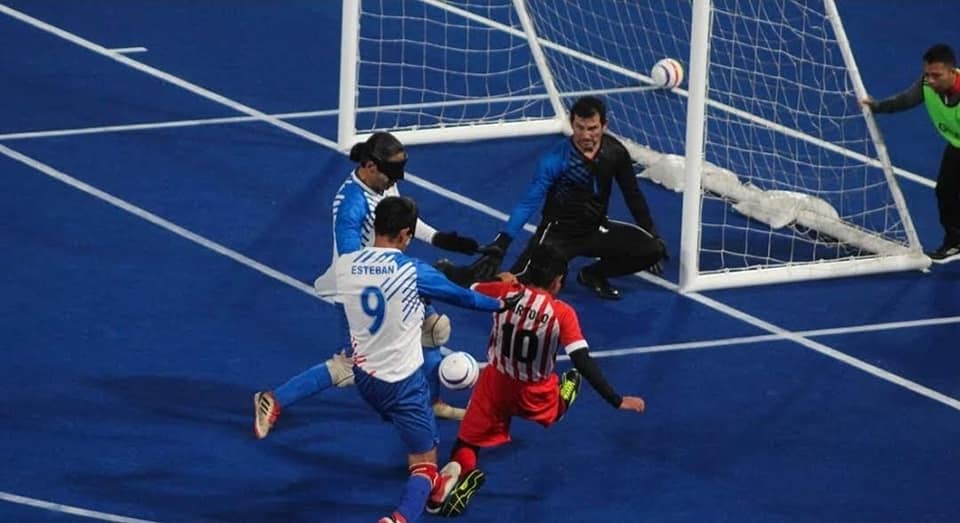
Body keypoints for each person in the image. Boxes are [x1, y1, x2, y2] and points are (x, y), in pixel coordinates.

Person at [254, 132, 484, 440]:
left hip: (391, 281)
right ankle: (273, 399)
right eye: (391, 174)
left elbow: (401, 219)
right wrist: (393, 276)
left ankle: (430, 402)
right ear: (370, 166)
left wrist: (441, 239)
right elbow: (350, 259)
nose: (395, 181)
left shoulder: (383, 182)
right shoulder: (350, 204)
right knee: (351, 366)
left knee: (433, 330)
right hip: (359, 291)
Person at [337, 196, 522, 523]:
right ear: (405, 234)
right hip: (401, 385)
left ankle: (435, 487)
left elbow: (346, 240)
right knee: (424, 462)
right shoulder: (412, 271)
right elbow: (464, 297)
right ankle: (400, 517)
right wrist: (502, 304)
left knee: (410, 429)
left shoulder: (348, 263)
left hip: (364, 377)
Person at [427, 244, 646, 517]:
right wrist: (616, 399)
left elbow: (465, 285)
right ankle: (563, 395)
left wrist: (452, 270)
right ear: (557, 281)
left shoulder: (505, 291)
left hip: (495, 382)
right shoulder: (561, 312)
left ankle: (452, 480)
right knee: (558, 405)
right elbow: (582, 360)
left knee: (468, 442)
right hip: (534, 391)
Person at [470, 95, 668, 300]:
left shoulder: (615, 153)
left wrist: (652, 233)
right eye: (580, 127)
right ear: (572, 124)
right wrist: (502, 243)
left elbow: (632, 194)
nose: (586, 135)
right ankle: (467, 284)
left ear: (604, 125)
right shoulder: (555, 160)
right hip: (557, 236)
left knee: (653, 250)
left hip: (596, 229)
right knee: (518, 285)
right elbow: (528, 203)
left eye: (592, 128)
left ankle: (592, 275)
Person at [862, 43, 960, 263]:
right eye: (928, 74)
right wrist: (876, 106)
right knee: (945, 191)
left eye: (936, 75)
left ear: (952, 72)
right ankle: (956, 242)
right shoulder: (927, 84)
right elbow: (905, 100)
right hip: (957, 143)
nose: (930, 80)